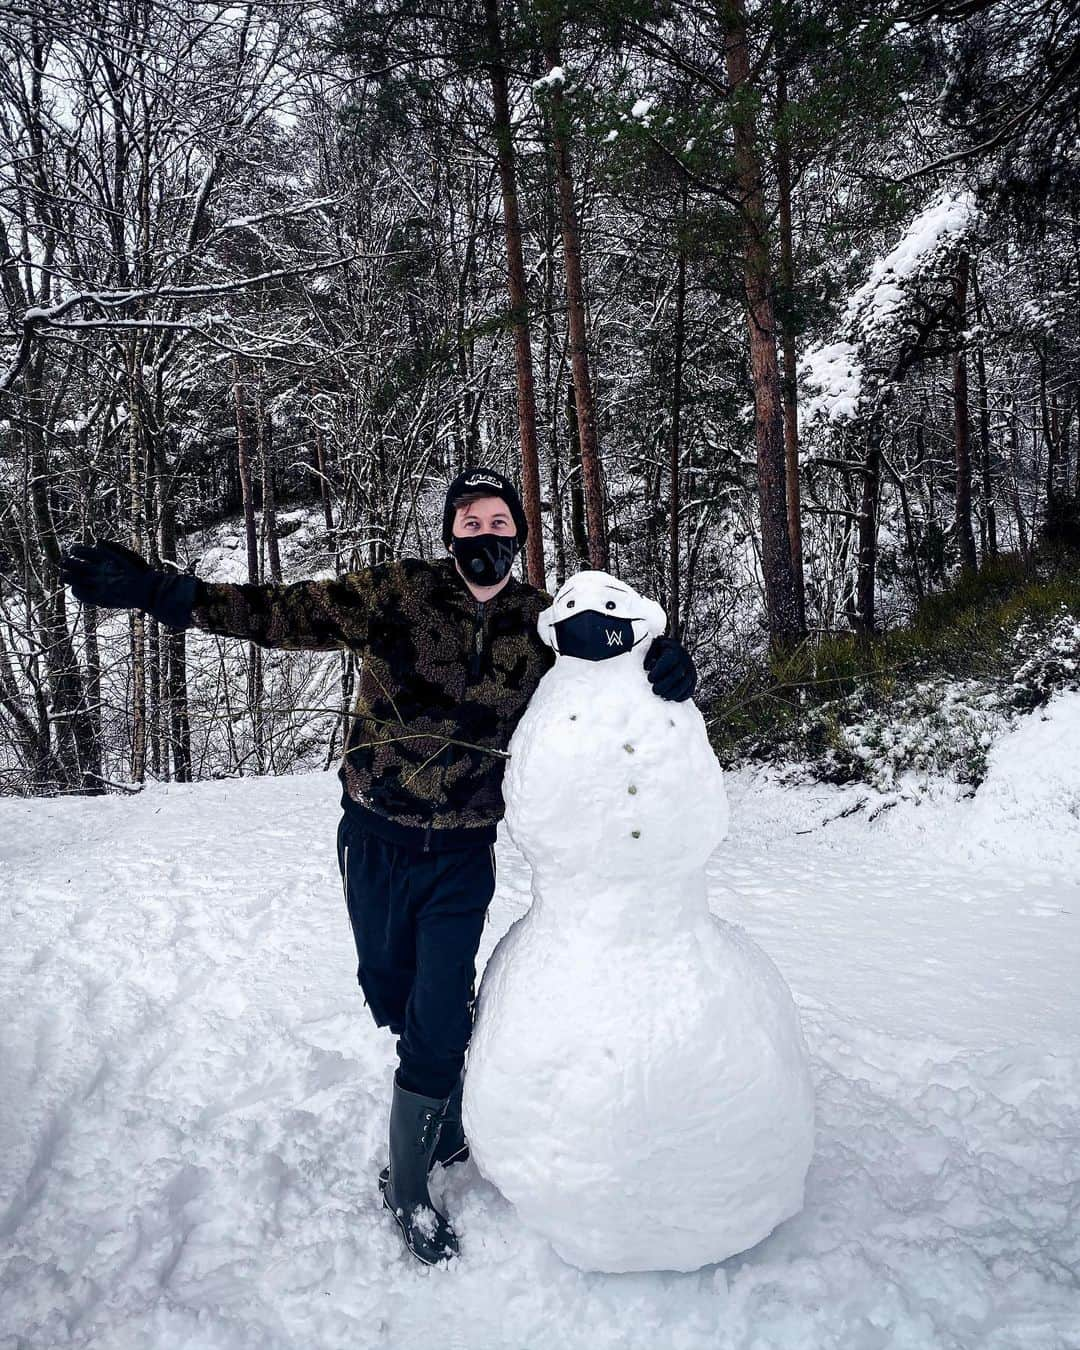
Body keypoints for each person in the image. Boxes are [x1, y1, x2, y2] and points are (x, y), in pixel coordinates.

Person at [60, 467, 696, 1265]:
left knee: (439, 1011)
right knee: (392, 995)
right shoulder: (396, 593)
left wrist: (668, 660)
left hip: (464, 849)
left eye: (500, 523)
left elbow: (619, 654)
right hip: (375, 837)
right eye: (470, 524)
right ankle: (444, 1108)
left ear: (520, 536)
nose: (485, 537)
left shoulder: (543, 625)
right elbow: (276, 613)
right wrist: (160, 591)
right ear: (450, 536)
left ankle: (407, 1183)